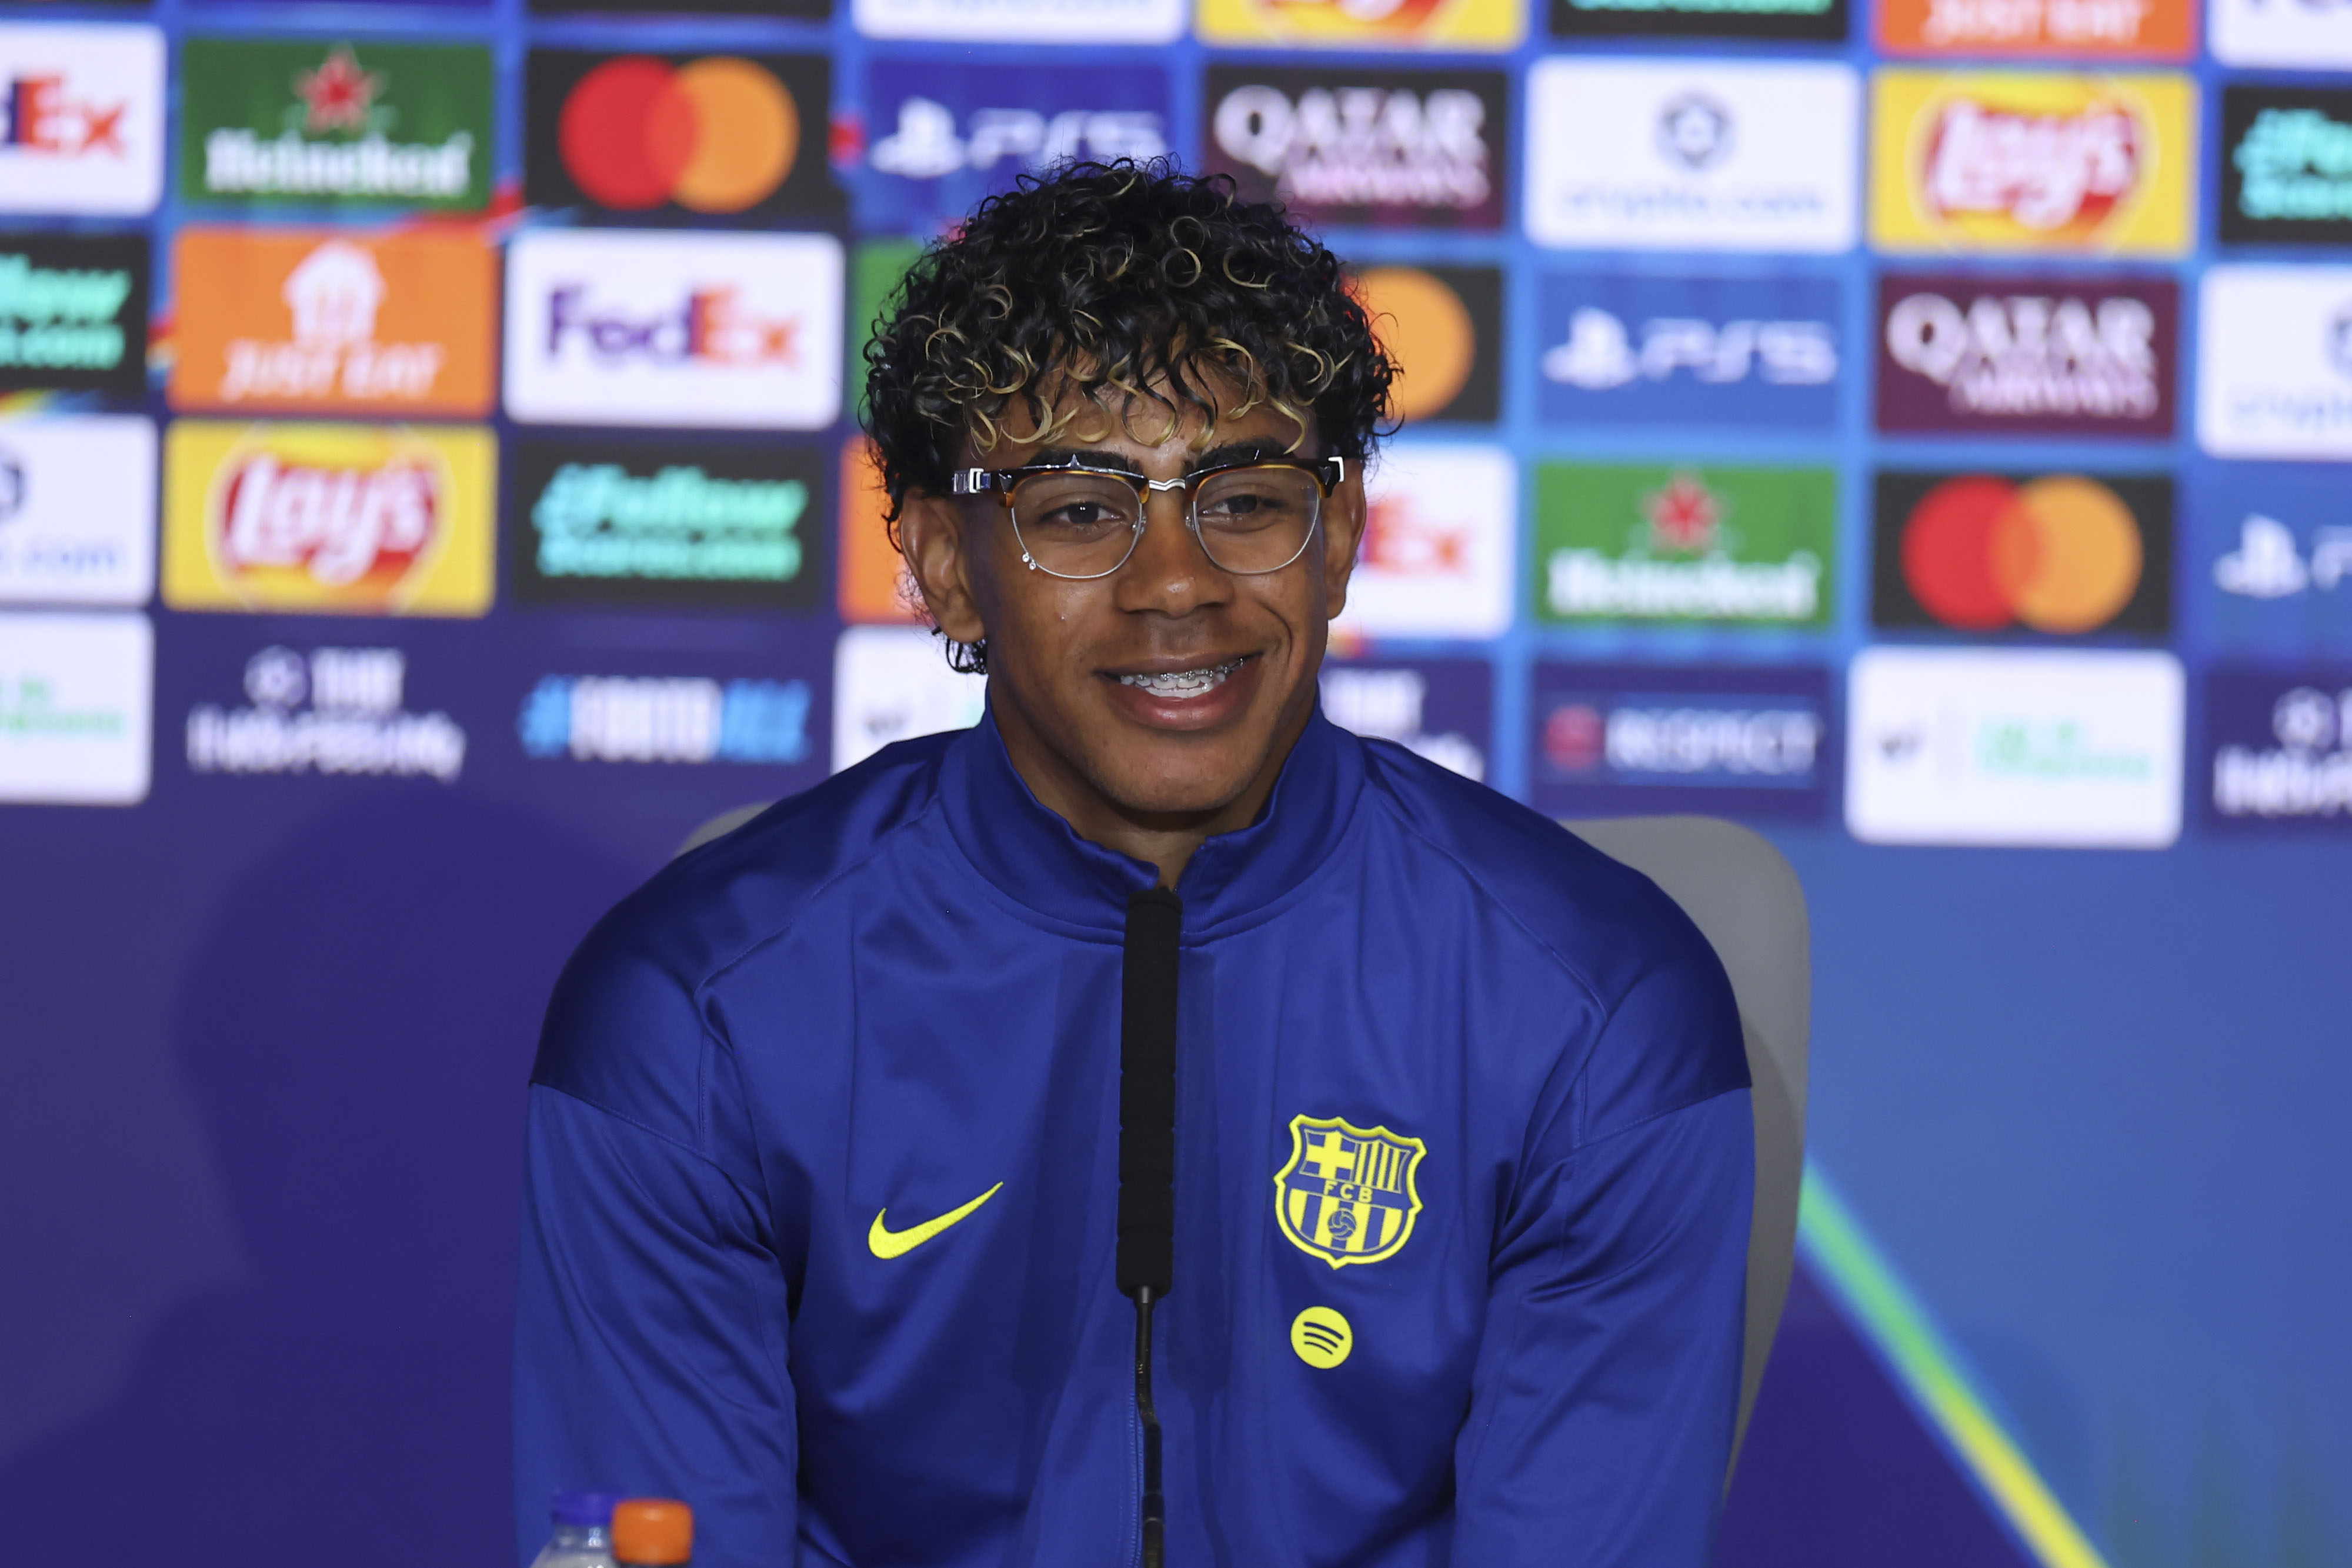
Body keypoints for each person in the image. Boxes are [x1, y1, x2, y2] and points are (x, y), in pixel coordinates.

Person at [513, 161, 1754, 1567]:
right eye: (1079, 510)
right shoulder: (694, 1016)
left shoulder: (1597, 1010)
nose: (1176, 583)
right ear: (942, 560)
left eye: (1244, 498)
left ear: (1338, 536)